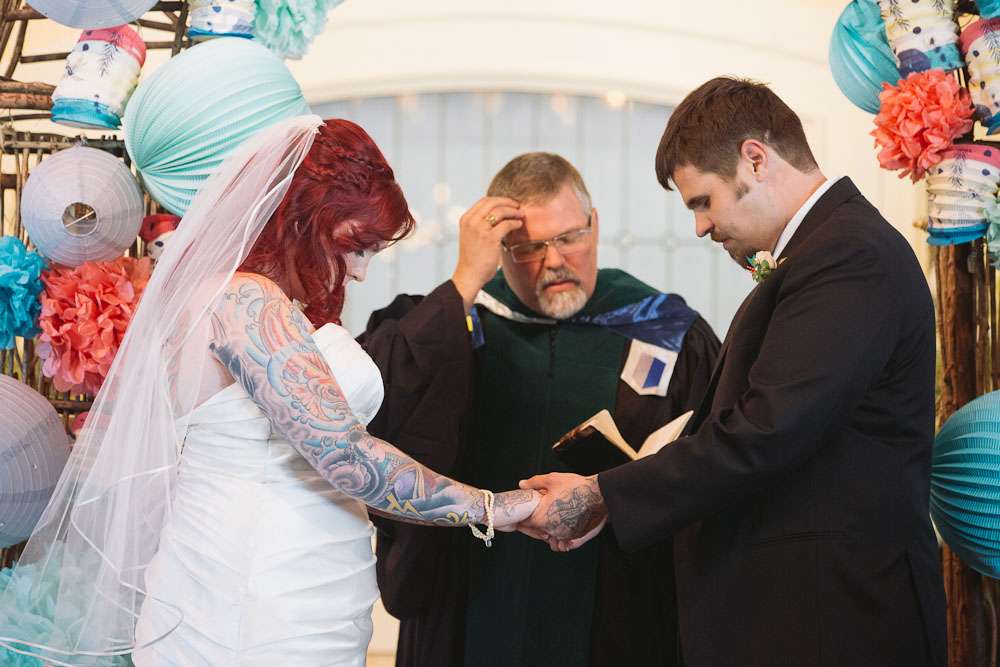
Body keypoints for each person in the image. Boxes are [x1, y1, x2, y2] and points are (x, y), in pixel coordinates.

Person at [0, 116, 538, 667]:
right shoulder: (242, 303)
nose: (359, 272)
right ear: (303, 219)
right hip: (250, 599)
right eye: (356, 246)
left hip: (305, 592)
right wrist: (497, 509)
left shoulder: (269, 306)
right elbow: (346, 457)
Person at [519, 77, 948, 667]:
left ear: (755, 159)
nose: (700, 227)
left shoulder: (849, 255)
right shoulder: (819, 253)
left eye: (703, 201)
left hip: (834, 618)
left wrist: (603, 495)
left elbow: (767, 430)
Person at [361, 152, 720, 667]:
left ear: (595, 225)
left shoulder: (667, 331)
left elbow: (708, 468)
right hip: (473, 594)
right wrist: (465, 280)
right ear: (498, 249)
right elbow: (373, 405)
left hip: (614, 604)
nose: (554, 261)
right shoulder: (457, 324)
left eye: (570, 237)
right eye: (529, 247)